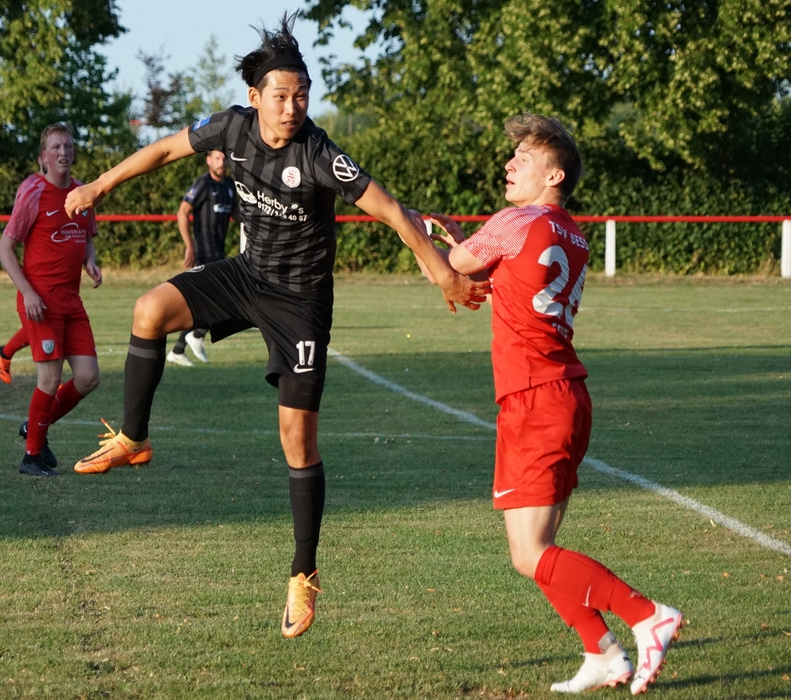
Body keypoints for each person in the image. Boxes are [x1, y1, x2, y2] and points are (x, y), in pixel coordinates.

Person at [63, 12, 488, 639]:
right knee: (149, 309)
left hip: (300, 304)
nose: (293, 108)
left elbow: (391, 211)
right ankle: (134, 437)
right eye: (282, 97)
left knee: (297, 441)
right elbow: (164, 149)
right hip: (247, 275)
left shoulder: (319, 152)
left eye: (302, 96)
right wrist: (100, 184)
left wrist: (443, 273)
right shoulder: (231, 126)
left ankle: (303, 574)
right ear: (256, 97)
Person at [423, 113, 683, 695]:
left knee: (530, 553)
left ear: (554, 174)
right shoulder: (572, 233)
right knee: (538, 547)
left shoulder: (516, 220)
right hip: (566, 394)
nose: (509, 164)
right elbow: (510, 277)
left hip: (534, 399)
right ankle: (602, 654)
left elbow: (451, 273)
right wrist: (459, 242)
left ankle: (646, 616)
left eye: (523, 158)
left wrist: (414, 233)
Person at [0, 122, 103, 477]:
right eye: (56, 147)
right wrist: (27, 292)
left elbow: (87, 237)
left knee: (88, 377)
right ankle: (31, 456)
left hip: (72, 302)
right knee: (50, 378)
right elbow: (5, 249)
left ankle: (35, 426)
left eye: (68, 146)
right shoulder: (33, 194)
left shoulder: (82, 194)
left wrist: (90, 261)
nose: (63, 152)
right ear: (44, 156)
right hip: (40, 302)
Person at [166, 149, 238, 367]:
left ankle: (179, 349)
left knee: (206, 300)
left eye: (224, 158)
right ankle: (196, 335)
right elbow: (182, 211)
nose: (221, 162)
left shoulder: (229, 185)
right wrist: (189, 245)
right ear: (208, 160)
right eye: (217, 158)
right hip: (204, 251)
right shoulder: (202, 183)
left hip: (219, 250)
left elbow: (237, 214)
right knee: (219, 296)